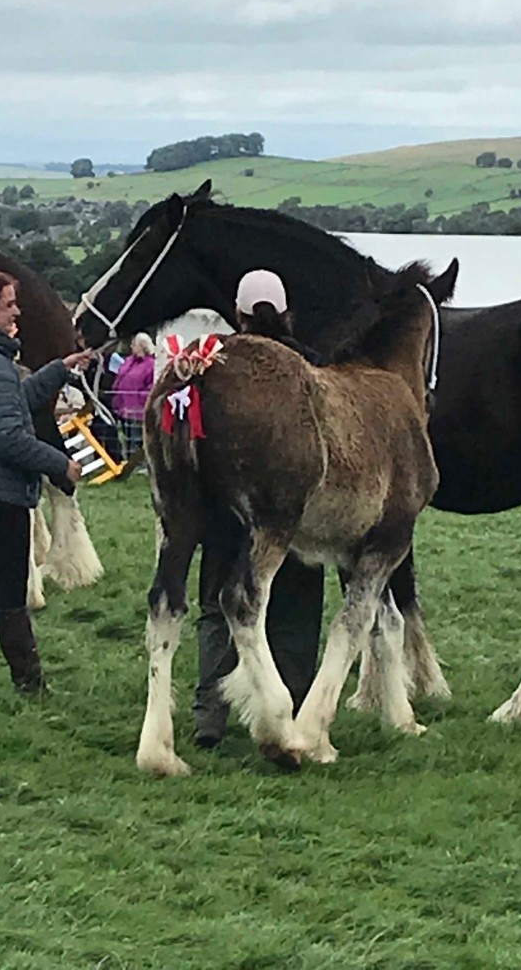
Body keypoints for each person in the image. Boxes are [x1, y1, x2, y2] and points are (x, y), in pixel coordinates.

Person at [193, 270, 324, 748]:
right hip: (298, 521)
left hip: (227, 519)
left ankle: (211, 714)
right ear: (287, 312)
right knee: (295, 615)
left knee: (217, 610)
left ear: (238, 314)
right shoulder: (311, 367)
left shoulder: (212, 366)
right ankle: (285, 710)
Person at [0, 268, 92, 694]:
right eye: (7, 304)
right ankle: (29, 683)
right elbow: (7, 435)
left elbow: (11, 405)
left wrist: (59, 369)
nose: (16, 311)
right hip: (0, 495)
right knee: (11, 592)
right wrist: (59, 464)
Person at [111, 332, 155, 459]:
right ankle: (129, 463)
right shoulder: (129, 361)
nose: (132, 347)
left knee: (138, 438)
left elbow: (151, 385)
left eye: (134, 344)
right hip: (123, 406)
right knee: (127, 436)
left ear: (142, 346)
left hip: (138, 408)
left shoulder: (151, 364)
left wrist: (140, 399)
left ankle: (139, 465)